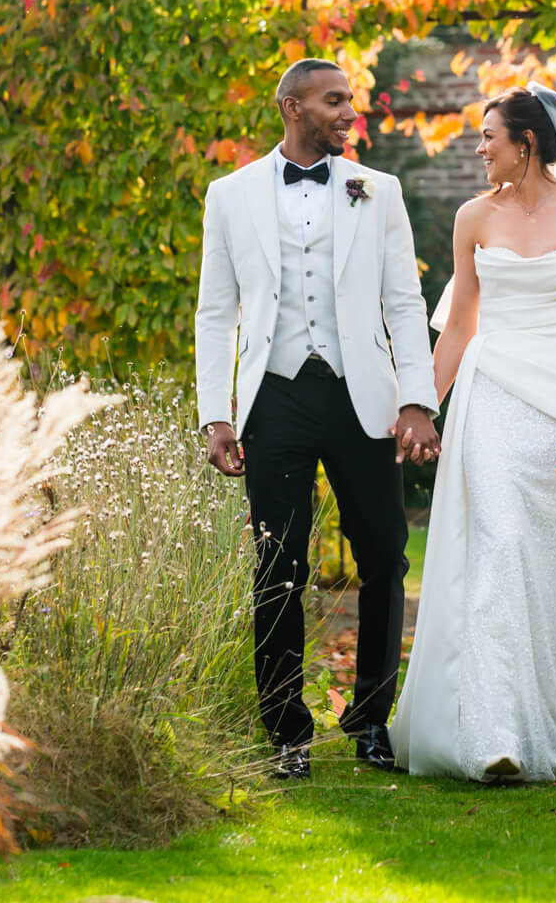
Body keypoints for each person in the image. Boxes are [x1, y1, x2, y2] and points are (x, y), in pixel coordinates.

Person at [392, 84, 556, 783]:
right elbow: (462, 324)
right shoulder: (474, 217)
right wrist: (421, 405)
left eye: (489, 138)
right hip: (492, 396)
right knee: (500, 545)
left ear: (527, 142)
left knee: (554, 563)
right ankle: (496, 734)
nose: (479, 149)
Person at [194, 59, 441, 779]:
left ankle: (370, 722)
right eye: (334, 101)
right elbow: (216, 313)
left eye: (349, 102)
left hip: (361, 396)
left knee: (385, 559)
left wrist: (415, 400)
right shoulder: (229, 195)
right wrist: (217, 416)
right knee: (278, 565)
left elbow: (404, 302)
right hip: (274, 398)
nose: (347, 113)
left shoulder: (379, 190)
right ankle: (287, 732)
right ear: (290, 106)